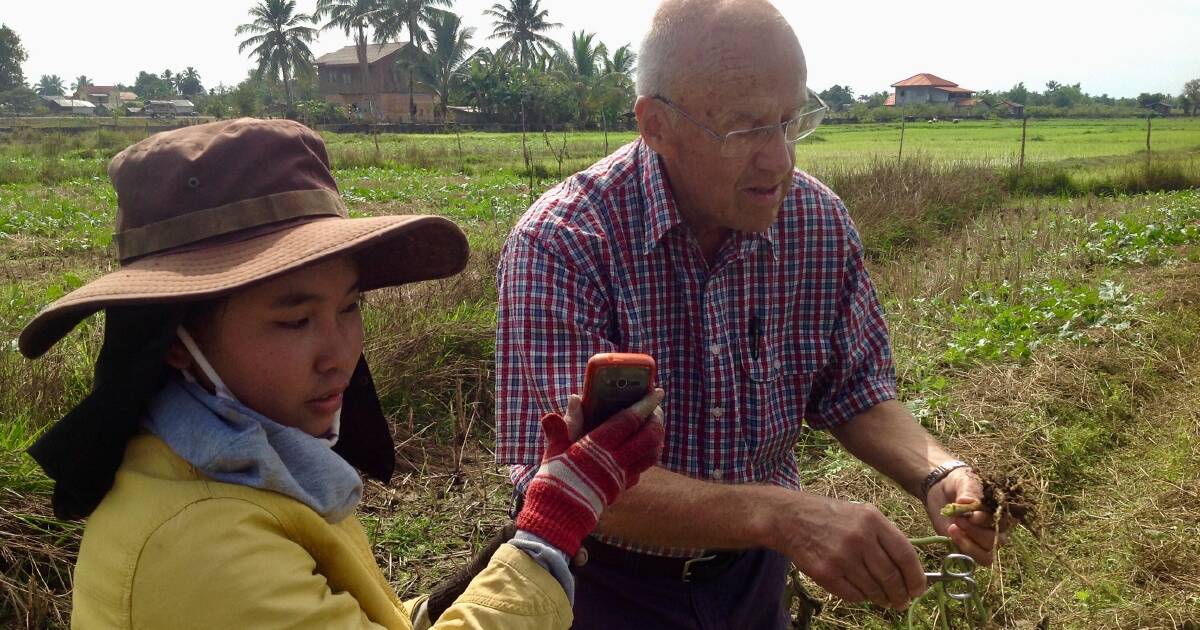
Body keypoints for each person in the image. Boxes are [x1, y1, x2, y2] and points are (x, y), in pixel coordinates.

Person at [17, 118, 664, 629]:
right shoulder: (195, 543)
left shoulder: (252, 464)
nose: (339, 353)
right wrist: (552, 528)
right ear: (178, 343)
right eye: (295, 321)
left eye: (349, 307)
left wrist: (522, 535)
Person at [494, 0, 1012, 627]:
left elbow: (856, 390)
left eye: (791, 123)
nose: (781, 160)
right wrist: (784, 516)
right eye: (746, 130)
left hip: (752, 581)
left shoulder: (815, 223)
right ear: (657, 125)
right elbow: (566, 477)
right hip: (596, 586)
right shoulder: (566, 242)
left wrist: (939, 473)